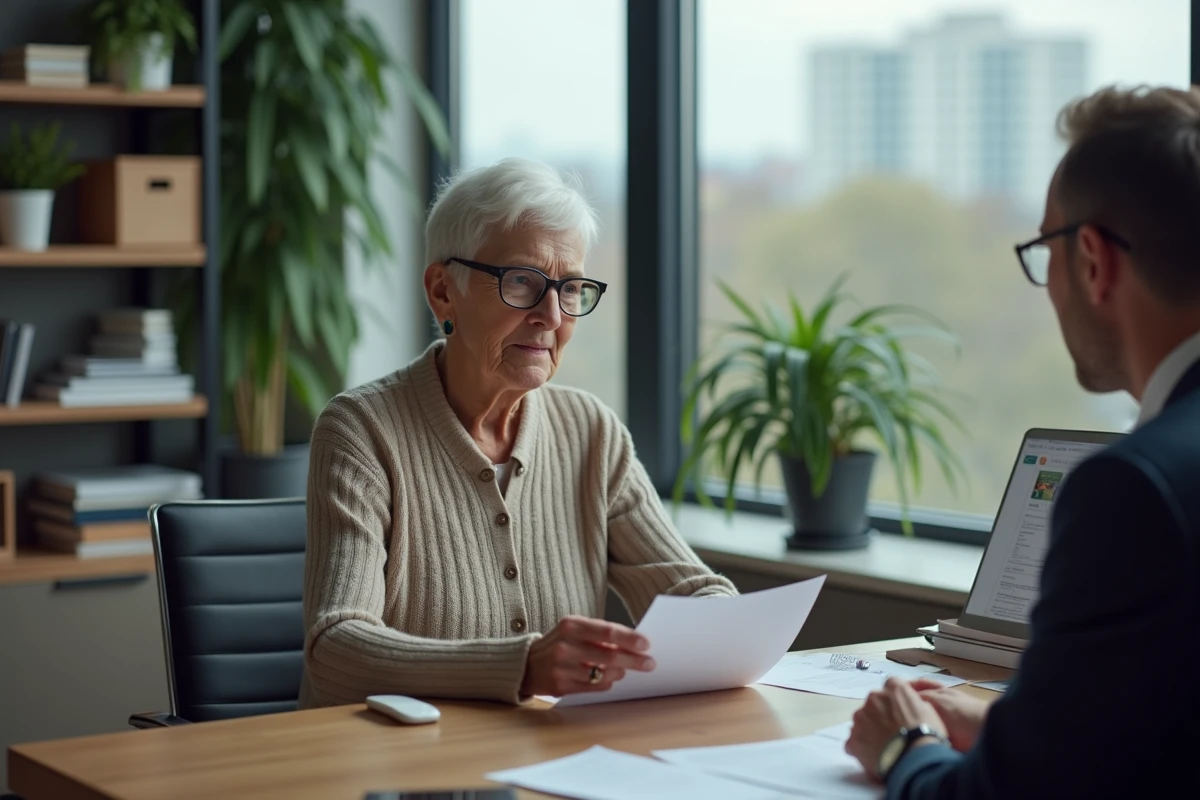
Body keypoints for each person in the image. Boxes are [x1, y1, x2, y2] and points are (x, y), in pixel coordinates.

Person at [845, 84, 1200, 797]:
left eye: (1049, 247)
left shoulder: (1133, 488)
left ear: (1094, 262)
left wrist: (903, 747)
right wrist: (1020, 730)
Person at [300, 157, 736, 708]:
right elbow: (335, 648)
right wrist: (522, 667)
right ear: (442, 291)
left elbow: (688, 587)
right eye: (523, 282)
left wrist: (729, 624)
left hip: (546, 766)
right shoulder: (361, 431)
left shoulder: (591, 432)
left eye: (570, 288)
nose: (552, 315)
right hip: (394, 775)